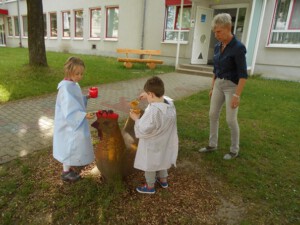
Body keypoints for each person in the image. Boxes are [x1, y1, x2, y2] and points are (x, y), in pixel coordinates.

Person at [199, 13, 248, 160]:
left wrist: (237, 95)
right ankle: (212, 144)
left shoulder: (238, 48)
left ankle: (234, 150)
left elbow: (243, 75)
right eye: (215, 31)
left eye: (219, 31)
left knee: (230, 120)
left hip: (232, 87)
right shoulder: (217, 46)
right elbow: (216, 69)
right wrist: (212, 87)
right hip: (219, 84)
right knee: (212, 114)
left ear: (228, 28)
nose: (216, 34)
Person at [129, 76, 178, 194]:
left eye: (147, 94)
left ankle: (150, 186)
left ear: (151, 94)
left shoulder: (153, 111)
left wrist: (136, 119)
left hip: (152, 143)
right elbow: (162, 98)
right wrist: (148, 95)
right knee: (163, 158)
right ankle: (163, 179)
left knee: (150, 162)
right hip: (164, 140)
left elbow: (144, 129)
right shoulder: (169, 104)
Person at [53, 57, 95, 182]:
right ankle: (66, 173)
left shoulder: (73, 84)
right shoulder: (65, 88)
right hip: (68, 123)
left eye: (82, 74)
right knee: (69, 144)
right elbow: (69, 108)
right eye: (77, 74)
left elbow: (75, 100)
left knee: (74, 142)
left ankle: (71, 164)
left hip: (72, 121)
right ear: (68, 72)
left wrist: (86, 97)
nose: (80, 76)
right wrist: (83, 115)